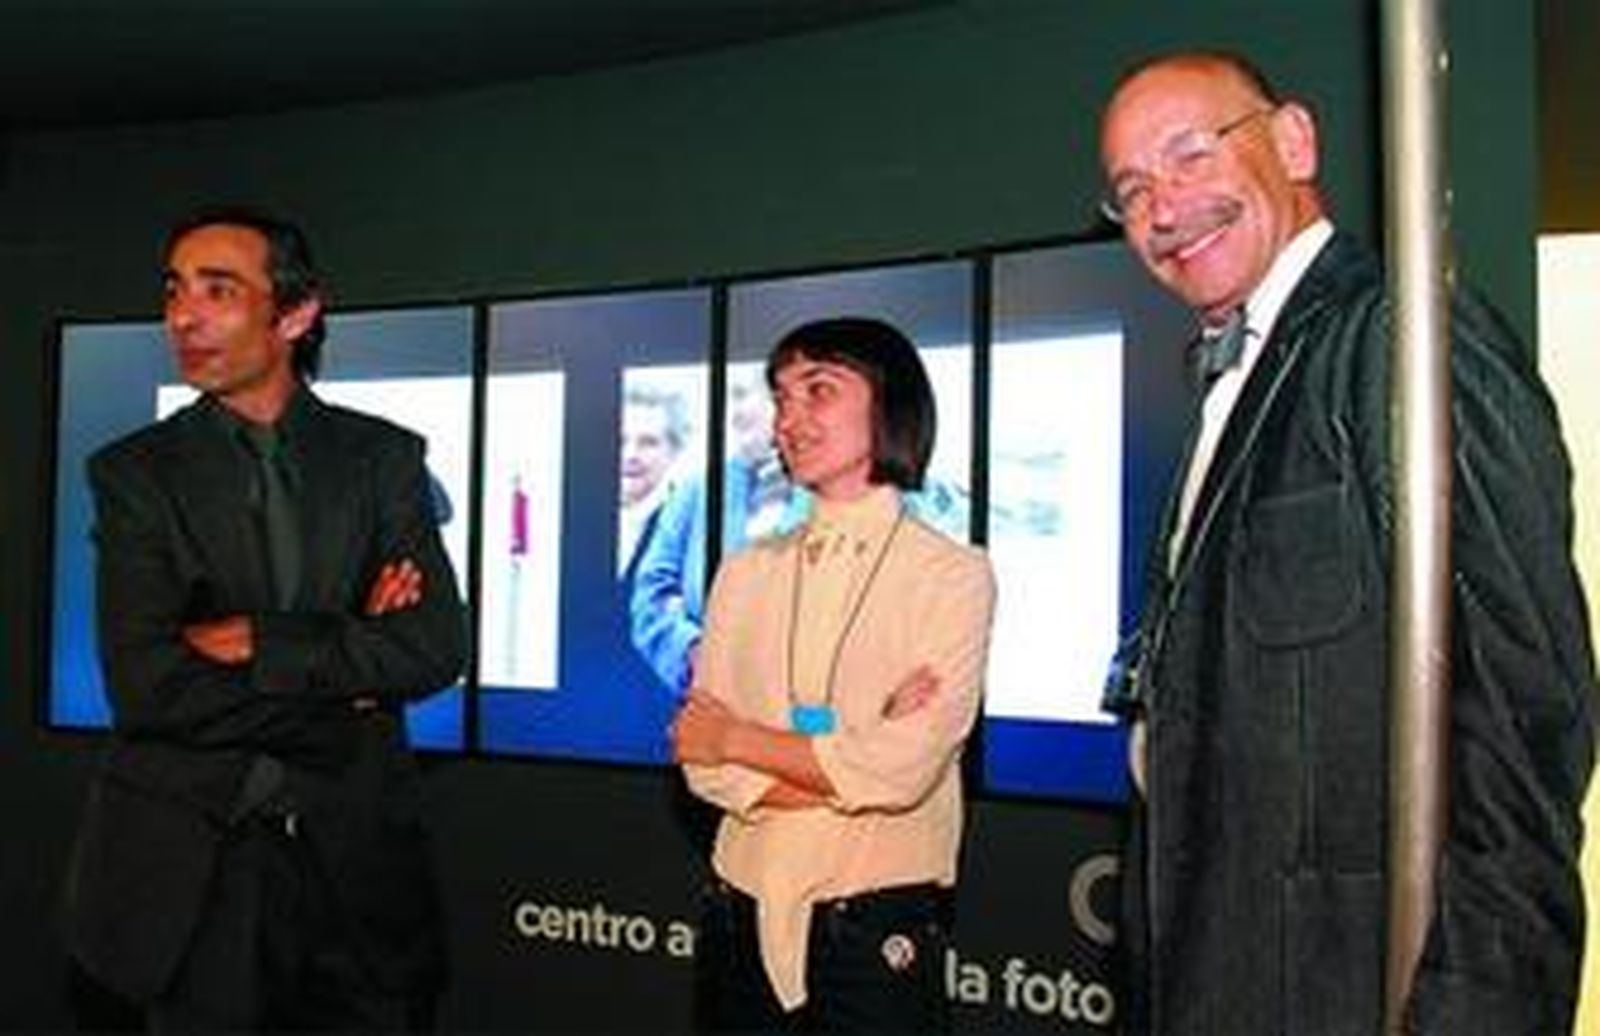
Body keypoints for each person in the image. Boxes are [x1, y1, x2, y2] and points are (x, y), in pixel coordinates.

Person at [1097, 51, 1597, 1034]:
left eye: (1190, 155)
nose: (1163, 206)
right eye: (1132, 190)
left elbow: (1521, 724)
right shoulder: (1227, 385)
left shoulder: (1402, 343)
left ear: (1293, 140)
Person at [63, 207, 467, 1030]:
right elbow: (148, 688)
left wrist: (255, 639)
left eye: (218, 290)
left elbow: (432, 648)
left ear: (295, 313)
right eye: (175, 290)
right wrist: (350, 684)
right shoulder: (135, 474)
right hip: (190, 878)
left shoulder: (384, 459)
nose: (183, 315)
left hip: (358, 876)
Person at [671, 317, 996, 1031]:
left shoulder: (952, 575)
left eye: (819, 390)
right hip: (738, 913)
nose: (790, 417)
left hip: (874, 925)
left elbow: (903, 769)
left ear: (890, 403)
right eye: (782, 397)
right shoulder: (744, 572)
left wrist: (741, 738)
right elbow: (699, 760)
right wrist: (849, 750)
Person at [631, 366, 801, 695]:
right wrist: (694, 654)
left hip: (813, 715)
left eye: (746, 395)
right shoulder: (695, 491)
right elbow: (650, 595)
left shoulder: (843, 484)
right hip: (715, 707)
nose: (736, 411)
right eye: (733, 396)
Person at [617, 381, 689, 581]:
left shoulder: (688, 524)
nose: (630, 455)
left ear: (674, 450)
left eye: (647, 443)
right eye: (620, 441)